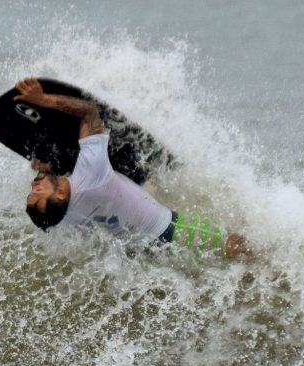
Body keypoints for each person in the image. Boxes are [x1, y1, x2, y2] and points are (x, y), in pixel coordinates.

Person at [15, 77, 250, 259]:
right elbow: (89, 112)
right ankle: (271, 269)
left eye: (31, 193)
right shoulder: (90, 175)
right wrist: (43, 100)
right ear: (60, 193)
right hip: (174, 231)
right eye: (38, 192)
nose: (33, 185)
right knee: (234, 246)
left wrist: (44, 169)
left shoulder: (62, 219)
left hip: (145, 251)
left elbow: (53, 202)